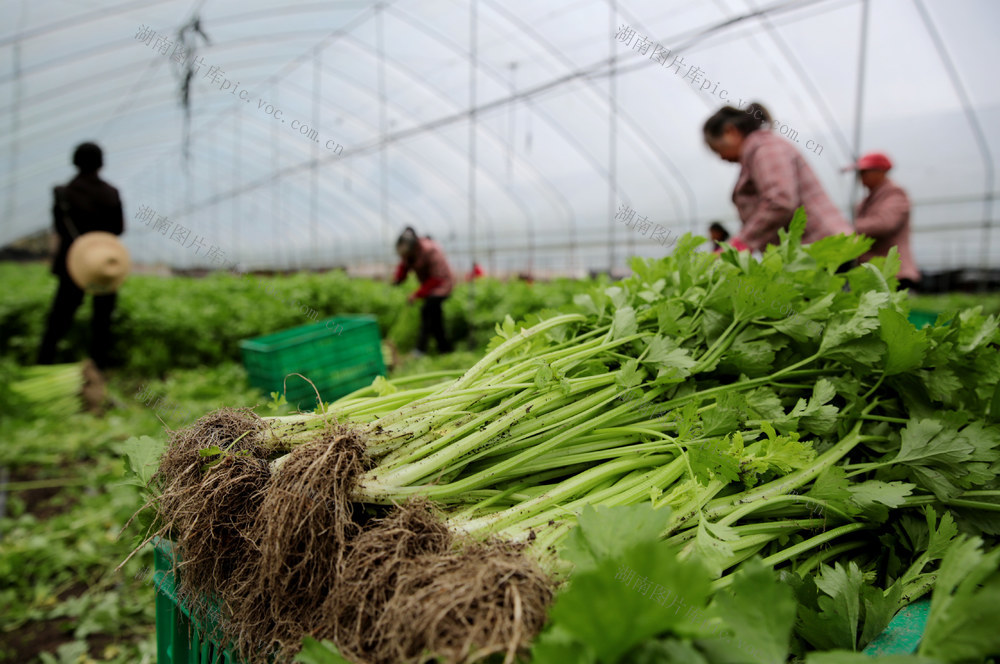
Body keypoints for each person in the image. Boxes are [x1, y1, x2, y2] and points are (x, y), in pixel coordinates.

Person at [703, 102, 853, 253]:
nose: (721, 157)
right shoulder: (756, 154)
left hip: (822, 248)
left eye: (717, 149)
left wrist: (738, 246)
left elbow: (780, 201)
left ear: (730, 131)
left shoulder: (766, 149)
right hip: (812, 251)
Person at [38, 142, 125, 369]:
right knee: (102, 318)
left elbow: (59, 227)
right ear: (101, 163)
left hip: (74, 261)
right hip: (105, 261)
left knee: (60, 315)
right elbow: (118, 229)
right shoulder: (111, 193)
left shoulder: (64, 193)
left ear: (75, 162)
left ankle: (45, 360)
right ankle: (99, 364)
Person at [844, 152, 921, 290]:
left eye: (864, 172)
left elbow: (885, 223)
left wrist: (846, 228)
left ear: (880, 172)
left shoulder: (895, 194)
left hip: (895, 274)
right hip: (875, 272)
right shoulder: (869, 199)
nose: (860, 178)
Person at [392, 227, 454, 354]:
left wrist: (416, 294)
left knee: (428, 312)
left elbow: (437, 278)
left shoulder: (430, 250)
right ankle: (445, 349)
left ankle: (421, 349)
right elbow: (404, 265)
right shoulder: (411, 252)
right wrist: (398, 279)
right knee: (435, 318)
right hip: (430, 287)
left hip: (442, 285)